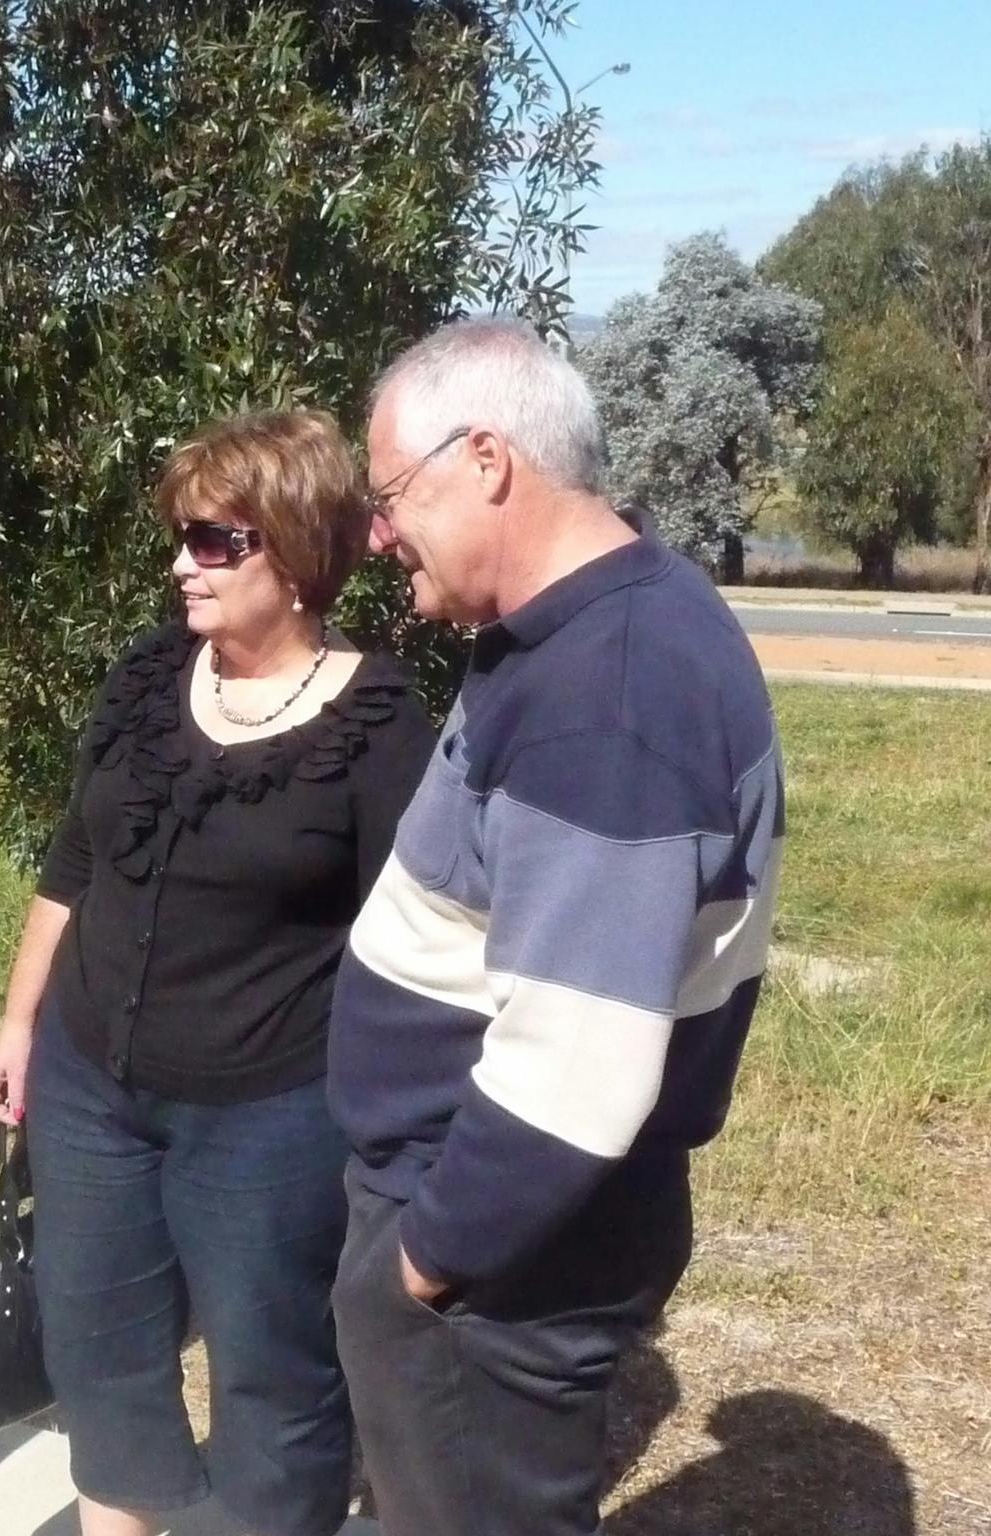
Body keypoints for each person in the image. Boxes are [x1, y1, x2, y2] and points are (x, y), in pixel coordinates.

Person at [327, 318, 784, 1536]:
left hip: (495, 1253)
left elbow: (575, 1066)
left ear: (484, 460)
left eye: (386, 496)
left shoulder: (609, 694)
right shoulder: (595, 620)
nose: (374, 533)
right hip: (496, 1231)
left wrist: (420, 1266)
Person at [0, 410, 438, 1536]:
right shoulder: (146, 679)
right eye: (181, 536)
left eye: (213, 541)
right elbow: (75, 860)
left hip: (267, 1119)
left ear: (290, 555)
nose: (180, 562)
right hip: (91, 1093)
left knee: (271, 1384)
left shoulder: (377, 728)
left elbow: (421, 946)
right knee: (101, 1361)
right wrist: (17, 1024)